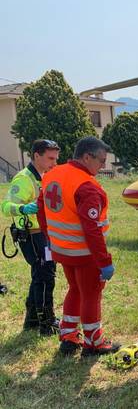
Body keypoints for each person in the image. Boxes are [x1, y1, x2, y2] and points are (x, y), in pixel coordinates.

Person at [37, 136, 119, 356]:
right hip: (85, 255)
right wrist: (104, 262)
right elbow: (92, 229)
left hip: (61, 251)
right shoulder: (87, 186)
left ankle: (69, 335)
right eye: (101, 161)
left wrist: (51, 239)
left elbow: (40, 209)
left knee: (75, 289)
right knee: (91, 295)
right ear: (86, 157)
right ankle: (94, 342)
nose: (103, 166)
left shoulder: (51, 175)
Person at [1, 139, 60, 335]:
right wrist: (24, 208)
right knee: (45, 277)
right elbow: (5, 207)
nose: (54, 162)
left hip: (44, 234)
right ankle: (47, 323)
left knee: (40, 275)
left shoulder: (45, 176)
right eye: (50, 158)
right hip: (33, 236)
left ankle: (33, 320)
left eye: (56, 158)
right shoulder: (24, 179)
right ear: (36, 155)